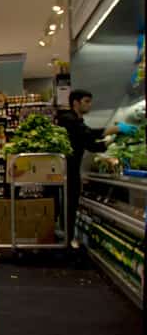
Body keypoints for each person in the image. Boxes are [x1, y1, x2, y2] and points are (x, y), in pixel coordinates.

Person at [56, 89, 118, 244]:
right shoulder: (68, 119)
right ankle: (65, 240)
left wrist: (109, 141)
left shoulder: (77, 120)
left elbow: (90, 144)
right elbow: (88, 135)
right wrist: (114, 131)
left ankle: (67, 240)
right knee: (68, 205)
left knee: (70, 205)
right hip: (66, 171)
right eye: (86, 101)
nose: (89, 105)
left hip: (72, 169)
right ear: (76, 103)